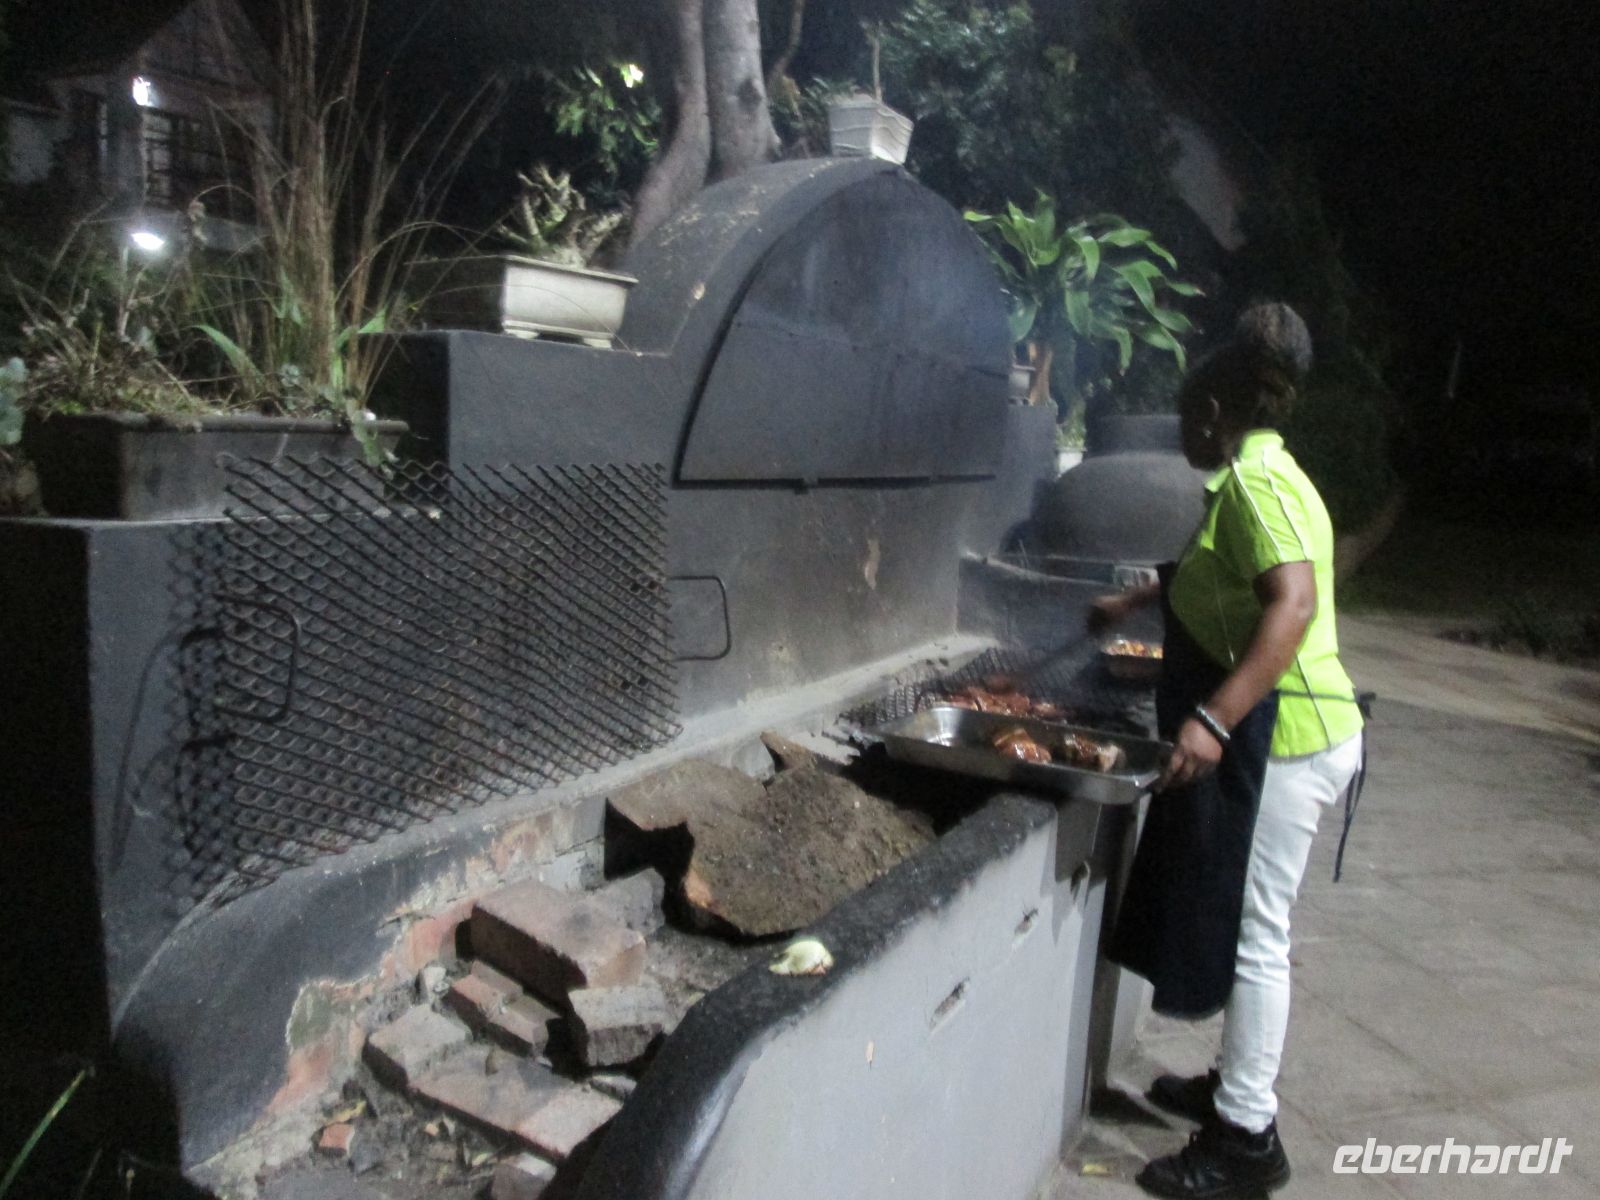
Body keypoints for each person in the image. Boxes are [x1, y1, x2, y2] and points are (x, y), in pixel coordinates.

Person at [1091, 303, 1366, 1199]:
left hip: (1290, 737)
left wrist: (1211, 720)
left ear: (1213, 411)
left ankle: (1246, 1137)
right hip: (1296, 731)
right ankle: (1231, 1087)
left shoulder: (1252, 486)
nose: (1181, 435)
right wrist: (1137, 601)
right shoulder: (1275, 474)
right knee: (1251, 924)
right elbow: (1220, 572)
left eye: (1185, 418)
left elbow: (1291, 605)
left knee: (1257, 935)